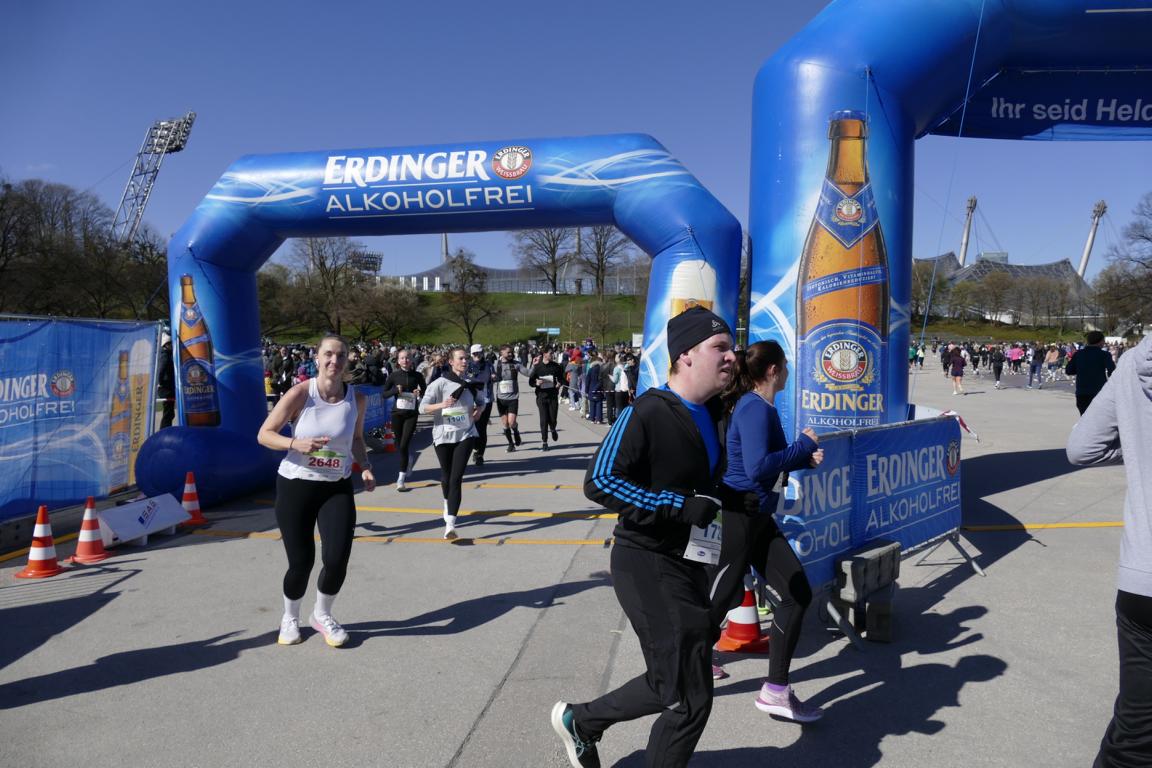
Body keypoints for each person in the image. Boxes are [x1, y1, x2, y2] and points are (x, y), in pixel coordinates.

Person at [551, 306, 735, 768]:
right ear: (686, 355)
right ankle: (583, 721)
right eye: (720, 347)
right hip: (646, 561)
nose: (732, 356)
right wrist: (676, 504)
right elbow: (601, 480)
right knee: (688, 695)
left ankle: (582, 721)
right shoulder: (648, 410)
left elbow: (705, 485)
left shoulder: (714, 412)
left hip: (690, 562)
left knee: (675, 683)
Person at [710, 341, 825, 722]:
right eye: (785, 365)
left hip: (758, 516)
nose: (788, 371)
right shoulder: (754, 407)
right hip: (739, 516)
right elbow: (758, 467)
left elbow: (769, 462)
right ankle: (681, 666)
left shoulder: (760, 406)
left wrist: (803, 458)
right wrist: (803, 444)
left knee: (797, 593)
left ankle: (776, 690)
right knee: (718, 600)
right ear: (773, 370)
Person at [256, 333, 376, 648]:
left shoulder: (357, 399)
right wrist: (295, 443)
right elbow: (264, 434)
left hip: (336, 487)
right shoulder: (300, 393)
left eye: (340, 355)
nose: (334, 360)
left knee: (337, 559)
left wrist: (364, 466)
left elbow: (356, 439)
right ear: (317, 357)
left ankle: (321, 614)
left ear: (347, 359)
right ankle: (290, 617)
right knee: (301, 562)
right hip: (296, 485)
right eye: (328, 354)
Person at [1066, 333, 1152, 767]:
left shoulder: (1135, 361)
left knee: (1135, 733)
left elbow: (1082, 448)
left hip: (1143, 580)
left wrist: (1138, 453)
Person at [419, 346, 486, 539]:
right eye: (460, 358)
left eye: (466, 358)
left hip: (466, 434)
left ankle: (450, 524)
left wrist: (479, 411)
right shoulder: (439, 384)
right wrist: (442, 404)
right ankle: (447, 503)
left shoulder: (471, 384)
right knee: (446, 477)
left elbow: (483, 401)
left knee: (456, 478)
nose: (464, 361)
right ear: (451, 362)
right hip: (443, 435)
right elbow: (422, 408)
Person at [380, 348, 427, 491]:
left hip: (411, 414)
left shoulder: (417, 375)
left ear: (411, 360)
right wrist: (395, 390)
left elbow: (426, 391)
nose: (405, 360)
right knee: (400, 445)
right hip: (397, 414)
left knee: (404, 445)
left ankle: (401, 479)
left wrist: (420, 392)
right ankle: (409, 459)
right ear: (398, 360)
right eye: (402, 358)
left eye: (407, 358)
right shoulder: (394, 376)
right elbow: (384, 394)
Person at [1066, 330, 1117, 415]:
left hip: (1082, 392)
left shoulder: (1078, 354)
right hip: (1099, 392)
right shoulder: (1104, 354)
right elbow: (1112, 372)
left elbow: (1068, 370)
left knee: (1084, 418)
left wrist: (1081, 369)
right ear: (1100, 341)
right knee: (1099, 419)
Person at [528, 348, 565, 451]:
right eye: (550, 353)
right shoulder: (537, 367)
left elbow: (562, 379)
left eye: (553, 353)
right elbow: (531, 382)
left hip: (553, 396)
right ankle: (544, 442)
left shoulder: (556, 366)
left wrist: (559, 383)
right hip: (541, 396)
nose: (553, 355)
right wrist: (536, 383)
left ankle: (553, 428)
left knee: (552, 419)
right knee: (543, 420)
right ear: (544, 354)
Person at [466, 343, 496, 466]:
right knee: (471, 427)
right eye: (475, 353)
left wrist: (494, 377)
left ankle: (480, 455)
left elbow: (489, 378)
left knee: (482, 428)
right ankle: (475, 448)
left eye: (479, 353)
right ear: (471, 354)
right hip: (470, 400)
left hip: (486, 400)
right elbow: (465, 379)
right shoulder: (467, 365)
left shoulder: (488, 365)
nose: (477, 355)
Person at [494, 344, 523, 452]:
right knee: (505, 424)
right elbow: (488, 377)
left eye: (511, 352)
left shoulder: (516, 364)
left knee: (511, 422)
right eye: (508, 352)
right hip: (501, 399)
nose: (511, 354)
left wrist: (534, 365)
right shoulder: (496, 364)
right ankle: (511, 444)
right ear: (501, 353)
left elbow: (528, 373)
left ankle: (516, 431)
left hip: (513, 398)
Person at [157, 333, 175, 428]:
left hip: (167, 387)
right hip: (166, 389)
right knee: (168, 414)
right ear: (166, 345)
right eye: (170, 344)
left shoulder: (168, 354)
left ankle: (166, 430)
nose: (172, 345)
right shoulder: (165, 355)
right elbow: (161, 369)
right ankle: (164, 431)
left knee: (170, 413)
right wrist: (160, 382)